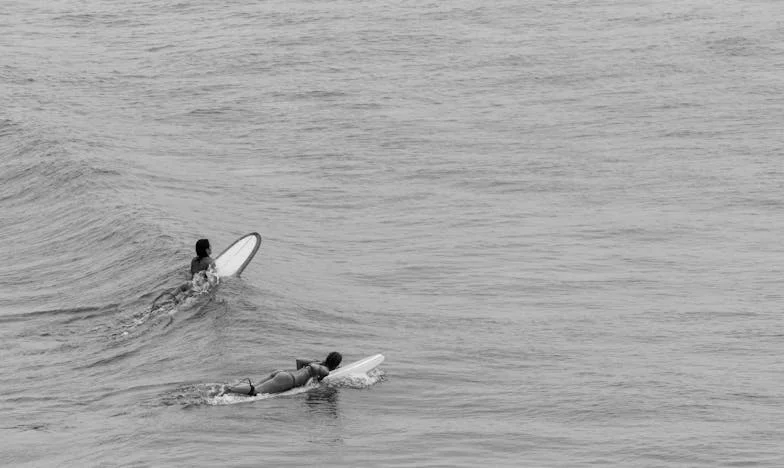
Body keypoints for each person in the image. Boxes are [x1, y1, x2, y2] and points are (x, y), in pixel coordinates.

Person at [222, 352, 342, 396]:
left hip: (284, 373)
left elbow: (299, 360)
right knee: (255, 392)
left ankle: (229, 389)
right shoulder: (325, 370)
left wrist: (299, 373)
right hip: (287, 380)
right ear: (335, 364)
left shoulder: (316, 363)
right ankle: (230, 389)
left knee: (255, 386)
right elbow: (324, 377)